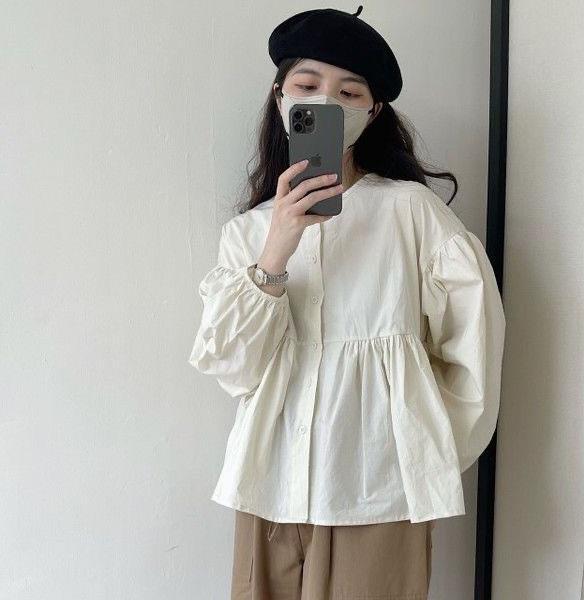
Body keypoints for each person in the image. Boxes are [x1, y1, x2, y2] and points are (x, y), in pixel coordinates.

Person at [188, 6, 506, 599]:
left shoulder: (411, 212)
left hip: (378, 487)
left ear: (372, 111)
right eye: (308, 85)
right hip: (271, 485)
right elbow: (234, 369)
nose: (327, 101)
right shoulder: (247, 233)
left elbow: (475, 343)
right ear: (281, 96)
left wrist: (424, 448)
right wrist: (277, 247)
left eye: (349, 92)